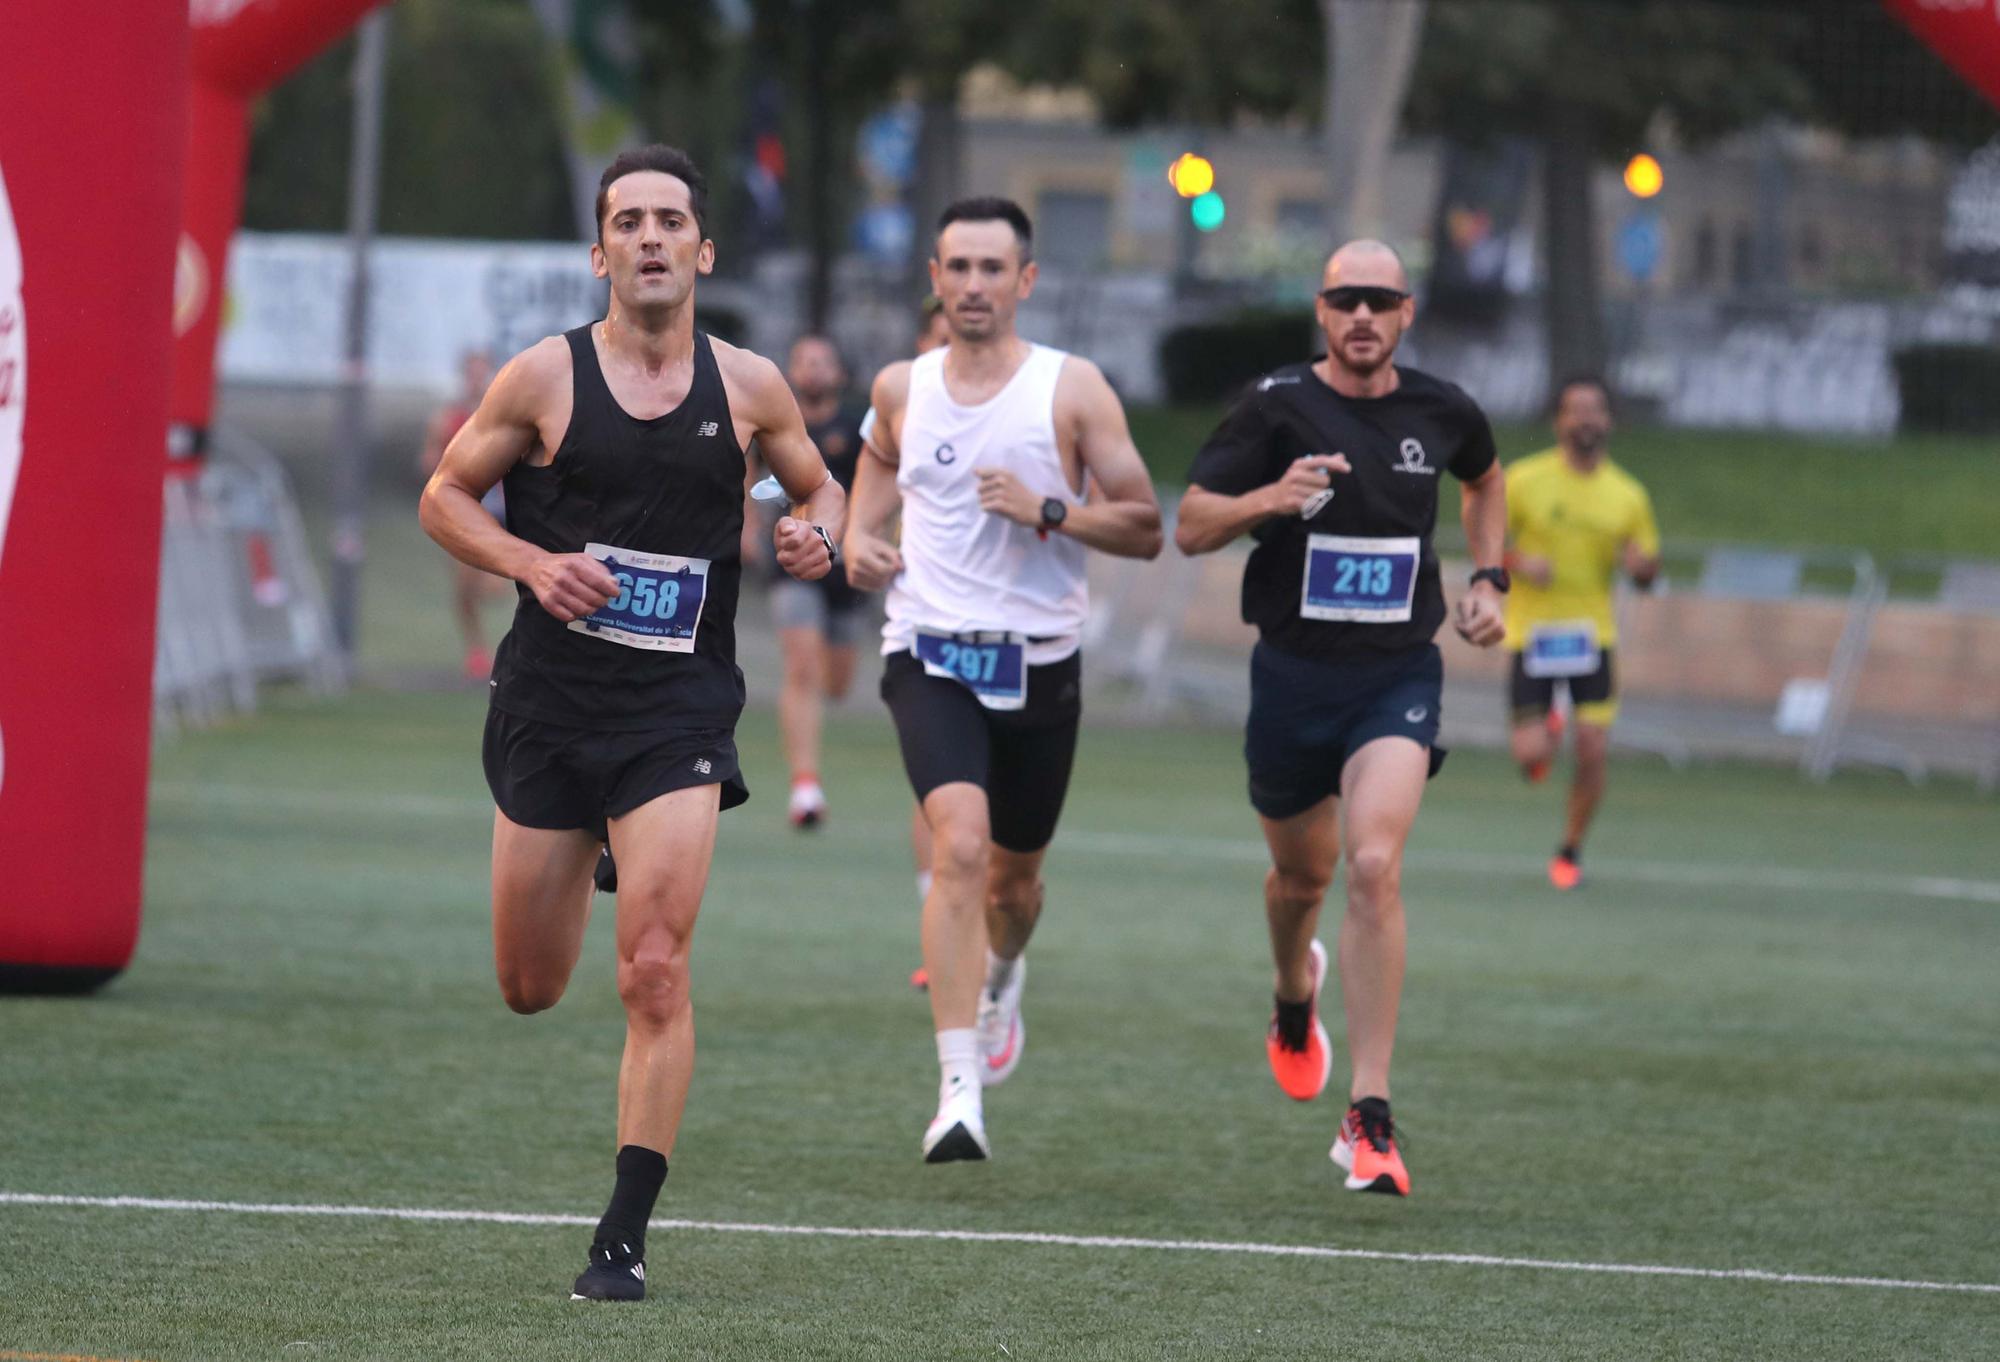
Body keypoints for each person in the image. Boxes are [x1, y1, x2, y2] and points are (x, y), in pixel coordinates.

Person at [417, 144, 843, 1301]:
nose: (649, 238)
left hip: (676, 712)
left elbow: (817, 488)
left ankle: (621, 1234)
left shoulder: (750, 386)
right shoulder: (541, 381)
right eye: (628, 221)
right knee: (529, 987)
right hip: (552, 707)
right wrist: (529, 563)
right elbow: (443, 496)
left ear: (702, 250)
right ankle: (597, 838)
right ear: (597, 250)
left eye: (670, 221)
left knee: (653, 969)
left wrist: (821, 534)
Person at [1174, 240, 1507, 1197]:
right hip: (1291, 677)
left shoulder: (1442, 410)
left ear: (1407, 313)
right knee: (1298, 879)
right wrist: (1272, 498)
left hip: (1396, 673)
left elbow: (1486, 479)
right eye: (1344, 300)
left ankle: (1370, 1115)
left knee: (1372, 865)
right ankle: (1292, 991)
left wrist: (1489, 578)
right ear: (1321, 312)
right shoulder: (1276, 404)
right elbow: (1190, 524)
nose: (1362, 315)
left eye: (1381, 300)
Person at [845, 198, 1163, 1162]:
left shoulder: (1074, 391)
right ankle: (957, 1090)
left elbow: (1147, 525)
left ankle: (1004, 976)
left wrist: (1052, 510)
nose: (974, 285)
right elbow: (872, 459)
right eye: (958, 268)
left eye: (993, 269)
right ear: (934, 280)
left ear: (1025, 281)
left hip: (1039, 666)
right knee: (961, 848)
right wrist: (860, 537)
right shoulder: (903, 385)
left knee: (1015, 888)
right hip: (930, 650)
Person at [1502, 375, 1660, 890]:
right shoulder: (1524, 480)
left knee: (1592, 748)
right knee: (1531, 758)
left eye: (1595, 410)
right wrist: (1519, 561)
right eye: (1575, 410)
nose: (1585, 419)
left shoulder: (1628, 495)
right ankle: (1547, 731)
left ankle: (1569, 850)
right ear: (1559, 421)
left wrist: (1641, 568)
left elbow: (1646, 568)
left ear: (1609, 421)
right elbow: (1487, 543)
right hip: (1533, 634)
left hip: (1593, 636)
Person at [747, 334, 868, 828]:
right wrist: (747, 527)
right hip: (791, 559)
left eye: (823, 363)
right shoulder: (776, 422)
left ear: (838, 374)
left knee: (836, 684)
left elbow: (880, 487)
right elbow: (745, 472)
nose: (812, 370)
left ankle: (817, 690)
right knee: (801, 670)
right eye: (803, 362)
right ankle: (805, 788)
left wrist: (868, 537)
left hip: (847, 566)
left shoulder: (857, 428)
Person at [418, 350, 506, 678]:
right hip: (464, 507)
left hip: (501, 508)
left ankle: (510, 649)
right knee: (465, 589)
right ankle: (477, 650)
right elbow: (429, 462)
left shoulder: (505, 412)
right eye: (471, 373)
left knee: (494, 588)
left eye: (482, 373)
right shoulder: (446, 418)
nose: (476, 380)